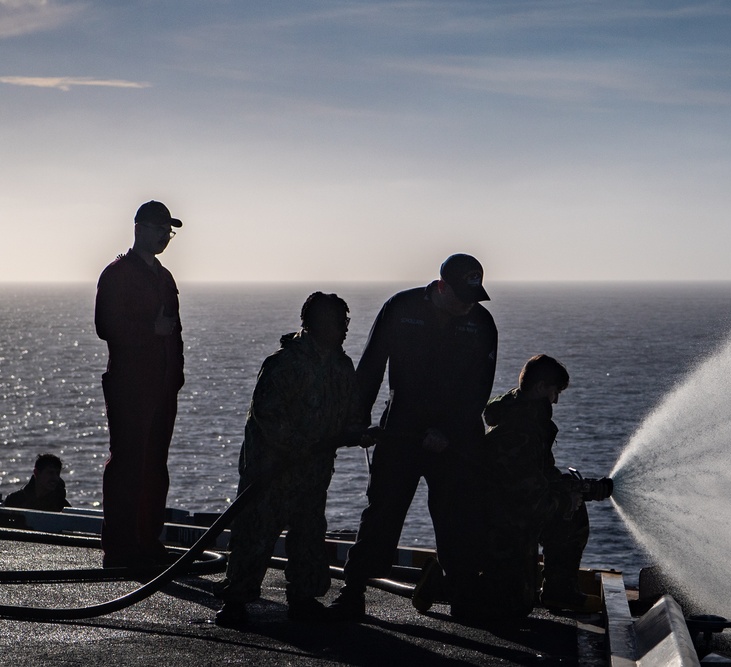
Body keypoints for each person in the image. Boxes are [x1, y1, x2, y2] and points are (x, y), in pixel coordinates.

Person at [328, 253, 498, 621]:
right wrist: (356, 422)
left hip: (453, 440)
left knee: (458, 520)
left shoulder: (482, 323)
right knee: (382, 513)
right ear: (441, 287)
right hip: (400, 431)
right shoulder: (400, 308)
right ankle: (353, 590)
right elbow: (371, 365)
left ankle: (464, 596)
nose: (468, 306)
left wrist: (448, 432)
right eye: (462, 297)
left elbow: (479, 389)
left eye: (474, 298)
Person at [215, 292, 366, 627]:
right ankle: (236, 599)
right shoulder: (285, 364)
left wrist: (357, 431)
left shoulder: (341, 366)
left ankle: (304, 597)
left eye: (346, 322)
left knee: (309, 534)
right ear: (317, 325)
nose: (344, 329)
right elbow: (268, 417)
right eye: (339, 322)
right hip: (272, 471)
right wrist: (305, 445)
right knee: (255, 532)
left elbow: (350, 411)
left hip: (313, 473)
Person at [458, 354, 612, 621]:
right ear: (540, 388)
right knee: (513, 607)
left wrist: (580, 489)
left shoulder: (524, 419)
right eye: (555, 392)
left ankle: (559, 591)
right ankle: (445, 582)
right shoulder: (521, 432)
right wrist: (567, 501)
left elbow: (540, 476)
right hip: (499, 526)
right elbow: (527, 501)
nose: (556, 400)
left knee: (571, 508)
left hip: (505, 516)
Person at [95, 200, 184, 569]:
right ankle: (120, 546)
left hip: (162, 387)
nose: (166, 237)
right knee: (129, 463)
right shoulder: (116, 275)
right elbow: (106, 326)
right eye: (161, 229)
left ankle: (147, 540)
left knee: (155, 465)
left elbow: (175, 330)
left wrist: (176, 375)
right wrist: (151, 331)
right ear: (139, 229)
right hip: (130, 386)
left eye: (169, 231)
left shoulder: (164, 277)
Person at [2, 454, 71, 512]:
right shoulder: (15, 500)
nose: (55, 478)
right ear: (36, 473)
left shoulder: (62, 507)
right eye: (50, 473)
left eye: (57, 473)